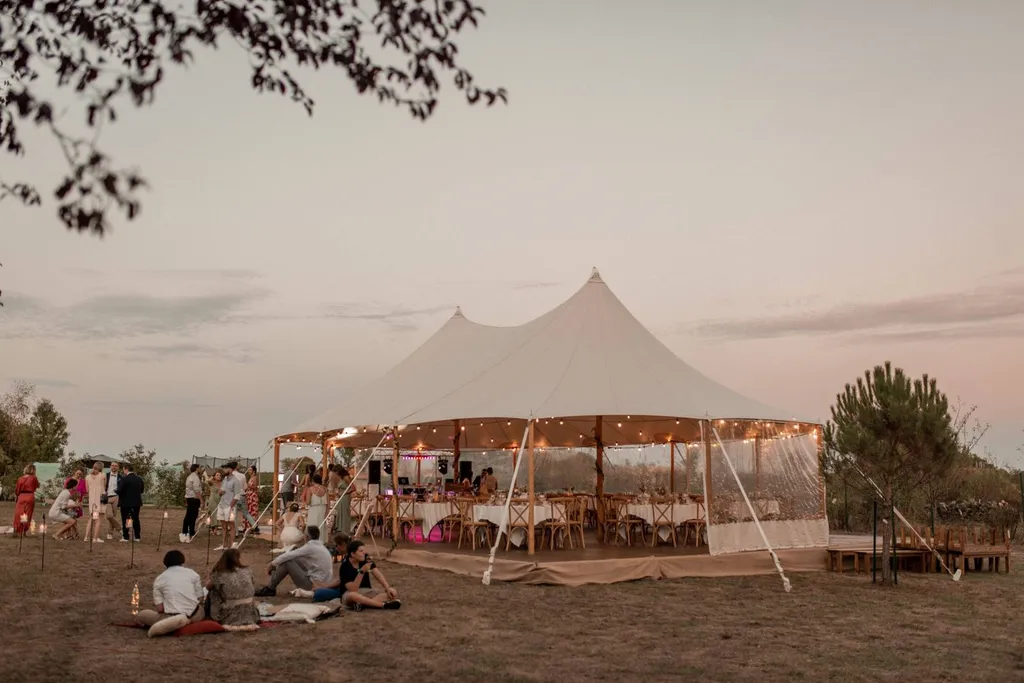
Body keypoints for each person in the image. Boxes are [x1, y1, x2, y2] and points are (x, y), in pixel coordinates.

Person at [307, 540, 400, 610]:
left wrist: (387, 588)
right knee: (353, 596)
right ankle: (383, 605)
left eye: (364, 551)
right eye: (361, 551)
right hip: (349, 594)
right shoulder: (345, 566)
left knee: (393, 593)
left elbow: (377, 574)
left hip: (367, 592)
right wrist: (362, 571)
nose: (364, 553)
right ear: (352, 554)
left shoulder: (365, 558)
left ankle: (363, 604)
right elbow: (353, 589)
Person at [255, 525, 333, 597]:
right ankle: (270, 586)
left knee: (287, 562)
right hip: (323, 582)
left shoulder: (310, 547)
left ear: (307, 536)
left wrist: (272, 564)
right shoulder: (320, 546)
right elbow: (296, 557)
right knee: (291, 559)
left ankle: (270, 588)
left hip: (314, 585)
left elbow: (288, 556)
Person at [134, 550, 205, 627]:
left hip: (170, 618)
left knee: (142, 614)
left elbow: (160, 609)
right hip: (194, 615)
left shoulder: (160, 579)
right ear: (182, 561)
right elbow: (200, 598)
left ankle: (176, 622)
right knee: (201, 609)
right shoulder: (193, 574)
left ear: (165, 563)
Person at [206, 549, 259, 626]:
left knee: (213, 591)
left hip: (229, 611)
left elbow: (208, 587)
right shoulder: (247, 570)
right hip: (250, 611)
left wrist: (210, 577)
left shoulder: (220, 573)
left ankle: (215, 615)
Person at [215, 462, 241, 550]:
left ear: (230, 469)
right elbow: (221, 491)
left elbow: (237, 496)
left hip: (230, 506)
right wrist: (220, 492)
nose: (224, 470)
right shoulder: (225, 479)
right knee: (223, 526)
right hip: (221, 505)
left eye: (225, 468)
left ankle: (232, 545)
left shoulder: (235, 481)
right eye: (223, 469)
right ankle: (224, 545)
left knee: (231, 526)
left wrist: (231, 506)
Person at [116, 463, 145, 542]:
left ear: (126, 469)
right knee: (135, 519)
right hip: (136, 502)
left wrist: (115, 491)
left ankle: (126, 536)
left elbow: (120, 490)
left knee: (126, 519)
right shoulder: (139, 479)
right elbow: (142, 490)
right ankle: (137, 536)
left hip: (126, 503)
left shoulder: (124, 479)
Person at [13, 464, 39, 535]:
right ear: (33, 470)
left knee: (19, 513)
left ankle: (17, 529)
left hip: (21, 496)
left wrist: (17, 497)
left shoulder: (20, 478)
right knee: (28, 514)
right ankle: (24, 531)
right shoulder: (34, 478)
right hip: (30, 496)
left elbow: (17, 490)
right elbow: (37, 486)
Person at [84, 462, 106, 543]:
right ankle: (95, 538)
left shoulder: (87, 477)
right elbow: (104, 486)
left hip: (92, 500)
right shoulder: (102, 475)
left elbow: (87, 490)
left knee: (91, 518)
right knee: (98, 520)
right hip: (100, 500)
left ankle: (86, 537)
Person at [181, 463, 203, 542]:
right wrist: (201, 499)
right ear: (196, 469)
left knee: (189, 515)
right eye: (199, 468)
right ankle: (190, 531)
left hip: (189, 498)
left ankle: (186, 531)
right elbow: (196, 490)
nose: (200, 469)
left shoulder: (189, 477)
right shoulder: (195, 478)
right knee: (193, 516)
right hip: (194, 498)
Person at [103, 462, 122, 540]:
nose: (114, 467)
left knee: (113, 515)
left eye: (115, 466)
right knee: (109, 515)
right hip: (106, 497)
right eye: (112, 465)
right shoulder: (105, 475)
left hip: (116, 497)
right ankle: (120, 528)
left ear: (118, 468)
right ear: (110, 467)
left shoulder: (121, 477)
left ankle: (110, 533)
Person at [242, 465, 260, 534]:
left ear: (253, 471)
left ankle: (253, 526)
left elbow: (255, 486)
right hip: (249, 496)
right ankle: (247, 526)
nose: (249, 471)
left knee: (252, 511)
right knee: (248, 511)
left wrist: (247, 485)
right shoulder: (250, 478)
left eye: (250, 470)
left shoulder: (255, 478)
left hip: (253, 495)